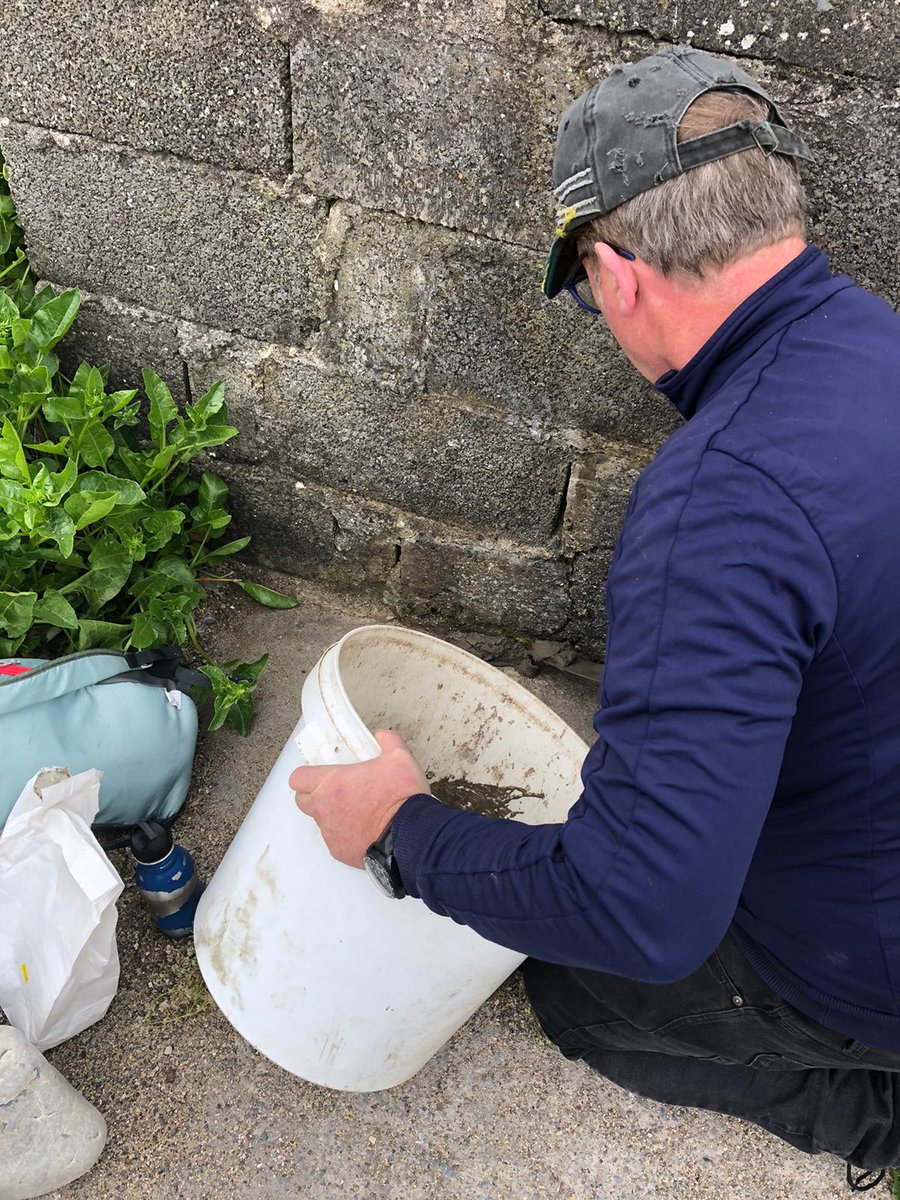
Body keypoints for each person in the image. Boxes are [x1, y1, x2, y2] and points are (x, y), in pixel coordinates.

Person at [290, 46, 900, 1193]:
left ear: (616, 274)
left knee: (578, 994)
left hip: (861, 969)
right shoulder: (877, 344)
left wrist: (400, 829)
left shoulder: (722, 500)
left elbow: (642, 913)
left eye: (578, 290)